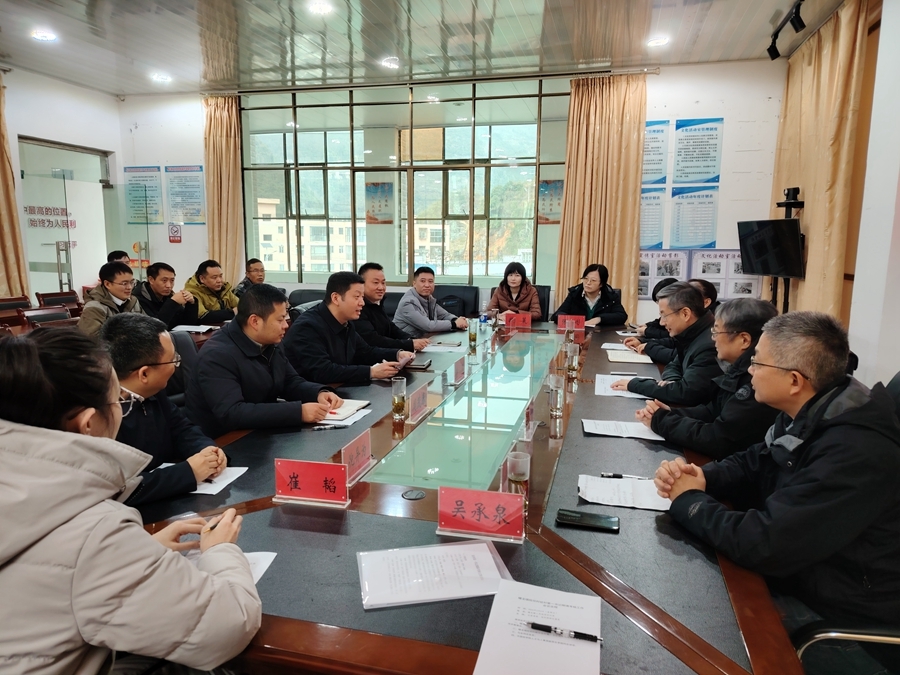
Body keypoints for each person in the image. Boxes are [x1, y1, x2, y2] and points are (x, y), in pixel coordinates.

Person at [0, 328, 261, 674]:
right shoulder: (95, 532)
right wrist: (220, 551)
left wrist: (140, 550)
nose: (124, 410)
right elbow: (228, 627)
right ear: (88, 424)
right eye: (118, 402)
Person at [654, 312, 900, 674]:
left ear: (794, 380)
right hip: (804, 575)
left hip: (842, 621)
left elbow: (764, 543)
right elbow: (758, 460)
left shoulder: (855, 452)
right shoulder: (817, 407)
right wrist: (703, 476)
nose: (749, 370)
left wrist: (689, 501)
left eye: (757, 362)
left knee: (688, 622)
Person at [101, 313, 226, 507]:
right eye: (173, 360)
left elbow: (181, 428)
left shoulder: (152, 391)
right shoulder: (100, 415)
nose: (177, 365)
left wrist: (206, 450)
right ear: (144, 374)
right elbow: (119, 490)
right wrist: (189, 472)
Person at [186, 284, 342, 439]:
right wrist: (299, 412)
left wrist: (318, 393)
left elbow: (289, 381)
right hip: (224, 441)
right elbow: (232, 413)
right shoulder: (217, 355)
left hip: (261, 430)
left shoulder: (270, 341)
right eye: (280, 319)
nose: (286, 325)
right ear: (255, 321)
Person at [635, 298, 779, 459]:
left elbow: (718, 439)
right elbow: (713, 410)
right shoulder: (738, 368)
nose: (713, 338)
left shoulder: (758, 380)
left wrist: (661, 421)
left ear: (744, 340)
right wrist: (671, 412)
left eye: (716, 332)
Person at [284, 272, 413, 386]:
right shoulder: (307, 327)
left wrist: (397, 354)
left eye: (362, 297)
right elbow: (323, 371)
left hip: (341, 388)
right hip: (316, 397)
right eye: (357, 297)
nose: (362, 303)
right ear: (336, 298)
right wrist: (371, 372)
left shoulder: (345, 321)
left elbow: (365, 352)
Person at [612, 282, 722, 405]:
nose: (662, 323)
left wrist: (634, 384)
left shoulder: (711, 344)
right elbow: (674, 364)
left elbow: (686, 392)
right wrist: (672, 381)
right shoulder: (691, 334)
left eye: (665, 316)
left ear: (685, 314)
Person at [355, 262, 429, 352]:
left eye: (383, 283)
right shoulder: (358, 309)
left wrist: (411, 340)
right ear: (361, 284)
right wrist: (409, 344)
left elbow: (391, 328)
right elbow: (373, 340)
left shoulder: (377, 304)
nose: (381, 287)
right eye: (376, 282)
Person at [393, 266, 468, 338]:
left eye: (430, 281)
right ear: (414, 284)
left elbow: (444, 315)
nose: (427, 285)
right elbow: (428, 326)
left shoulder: (429, 299)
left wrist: (456, 320)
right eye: (422, 281)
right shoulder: (407, 303)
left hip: (423, 340)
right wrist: (454, 324)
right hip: (405, 343)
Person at [77, 261, 146, 337]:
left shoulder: (133, 301)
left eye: (132, 282)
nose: (129, 287)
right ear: (107, 284)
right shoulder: (94, 306)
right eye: (124, 283)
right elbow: (94, 338)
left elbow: (146, 326)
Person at [550, 263, 627, 326]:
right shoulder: (575, 294)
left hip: (601, 335)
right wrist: (571, 320)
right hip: (578, 335)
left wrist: (599, 319)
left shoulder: (610, 296)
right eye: (586, 279)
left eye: (593, 280)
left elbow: (621, 316)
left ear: (601, 284)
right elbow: (557, 314)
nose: (588, 283)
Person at [134, 262, 195, 329]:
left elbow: (186, 324)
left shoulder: (169, 295)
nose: (169, 285)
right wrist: (172, 303)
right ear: (151, 280)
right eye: (164, 280)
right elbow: (154, 327)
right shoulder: (137, 299)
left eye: (172, 280)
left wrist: (191, 304)